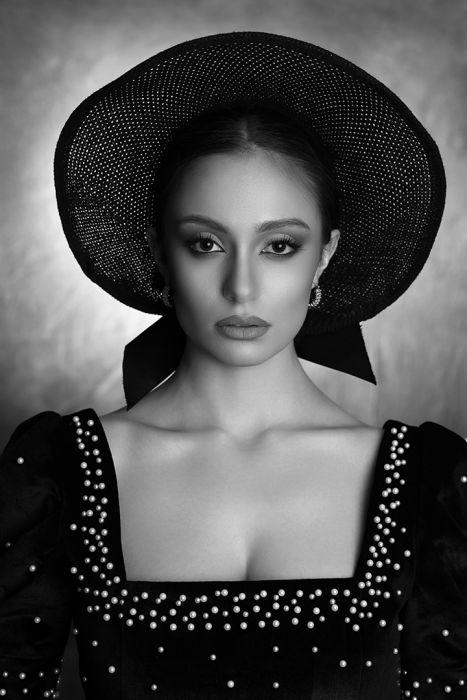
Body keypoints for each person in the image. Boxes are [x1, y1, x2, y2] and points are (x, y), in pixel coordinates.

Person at [0, 30, 466, 699]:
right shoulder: (57, 473)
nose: (241, 288)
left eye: (278, 246)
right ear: (159, 251)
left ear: (324, 256)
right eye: (205, 243)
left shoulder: (430, 485)